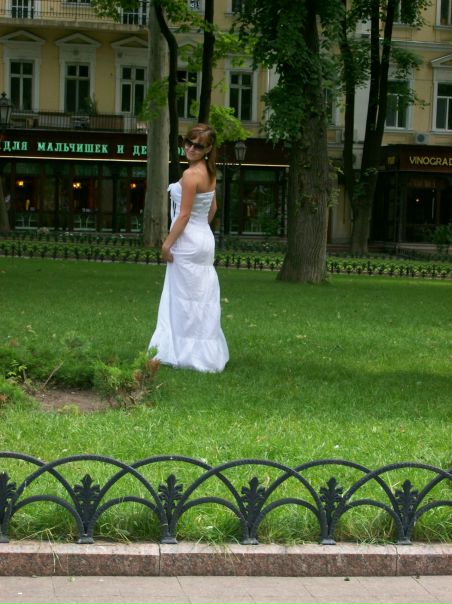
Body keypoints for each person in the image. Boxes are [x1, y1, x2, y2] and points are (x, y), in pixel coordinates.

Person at [148, 123, 229, 372]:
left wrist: (167, 244)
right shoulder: (210, 172)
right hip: (204, 238)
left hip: (188, 239)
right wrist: (199, 228)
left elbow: (183, 216)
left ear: (209, 148)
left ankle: (182, 352)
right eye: (188, 142)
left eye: (198, 146)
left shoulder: (191, 175)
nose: (191, 149)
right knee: (198, 297)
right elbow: (212, 209)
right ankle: (202, 353)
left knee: (182, 297)